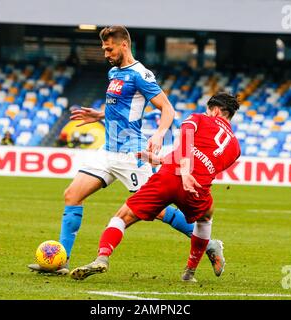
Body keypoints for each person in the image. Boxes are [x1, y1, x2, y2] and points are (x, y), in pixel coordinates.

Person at [28, 26, 224, 276]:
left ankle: (209, 243)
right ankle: (60, 261)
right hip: (107, 151)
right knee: (72, 194)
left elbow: (167, 109)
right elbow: (122, 107)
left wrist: (159, 133)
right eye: (103, 48)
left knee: (158, 211)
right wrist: (100, 114)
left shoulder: (141, 74)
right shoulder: (113, 72)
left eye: (109, 48)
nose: (105, 53)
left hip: (132, 154)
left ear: (124, 45)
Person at [70, 92, 241, 282]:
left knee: (123, 216)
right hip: (195, 188)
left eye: (208, 110)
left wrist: (183, 170)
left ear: (215, 110)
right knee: (205, 218)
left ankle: (102, 257)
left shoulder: (198, 118)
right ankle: (189, 272)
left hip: (169, 177)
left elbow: (186, 139)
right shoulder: (235, 148)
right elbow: (204, 162)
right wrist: (160, 160)